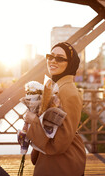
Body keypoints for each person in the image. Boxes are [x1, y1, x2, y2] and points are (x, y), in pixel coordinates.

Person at [24, 42, 86, 176]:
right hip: (54, 161)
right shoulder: (55, 87)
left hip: (62, 164)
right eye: (50, 56)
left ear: (70, 63)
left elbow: (61, 142)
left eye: (59, 58)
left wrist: (33, 119)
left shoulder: (69, 92)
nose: (52, 61)